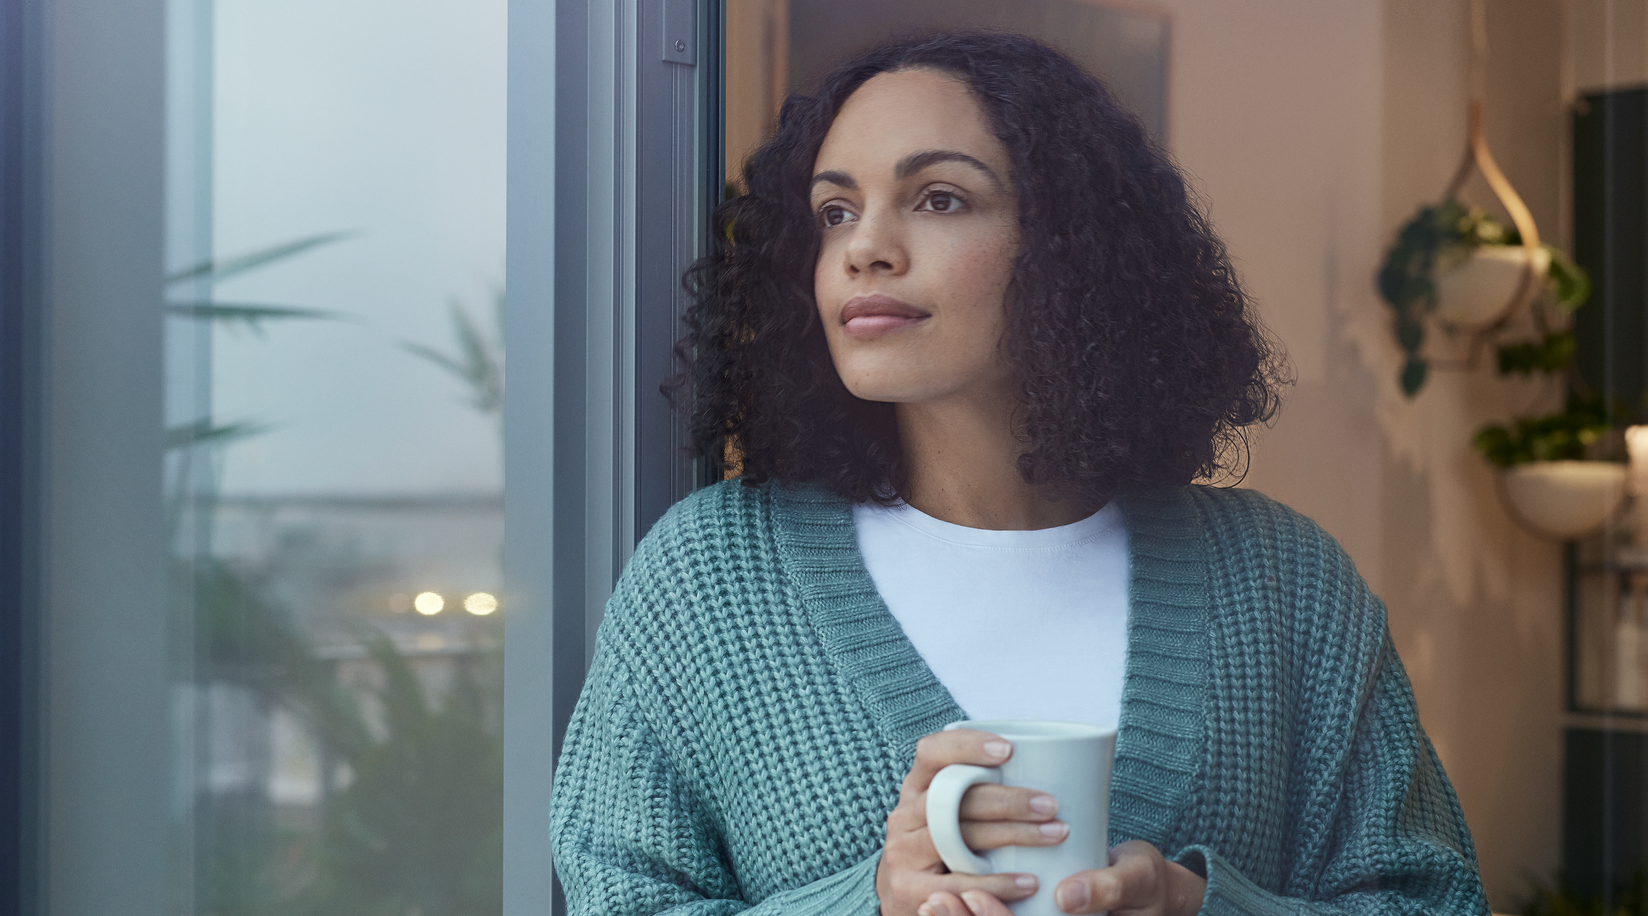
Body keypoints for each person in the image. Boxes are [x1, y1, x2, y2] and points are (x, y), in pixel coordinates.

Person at [549, 30, 1488, 916]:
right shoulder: (710, 575)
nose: (863, 246)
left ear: (1074, 250)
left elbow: (1436, 901)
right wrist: (870, 900)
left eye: (939, 198)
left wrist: (1201, 906)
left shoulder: (1282, 582)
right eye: (835, 211)